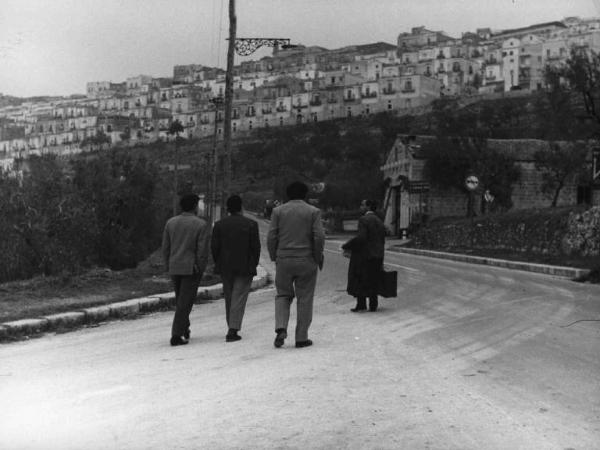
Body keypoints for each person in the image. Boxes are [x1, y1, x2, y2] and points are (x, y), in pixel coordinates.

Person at [267, 181, 325, 349]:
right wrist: (316, 256)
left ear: (287, 194)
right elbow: (319, 237)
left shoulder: (278, 211)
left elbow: (271, 236)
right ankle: (301, 337)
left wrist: (274, 256)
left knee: (283, 295)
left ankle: (281, 328)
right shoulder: (313, 212)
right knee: (305, 298)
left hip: (284, 259)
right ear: (305, 195)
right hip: (306, 259)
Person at [162, 193, 211, 346]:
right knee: (185, 303)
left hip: (174, 266)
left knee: (180, 300)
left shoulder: (170, 223)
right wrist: (201, 268)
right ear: (195, 206)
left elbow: (166, 248)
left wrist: (168, 265)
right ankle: (176, 335)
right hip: (191, 268)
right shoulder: (200, 224)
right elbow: (202, 250)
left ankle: (184, 328)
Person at [211, 195, 261, 342]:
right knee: (239, 297)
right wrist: (253, 264)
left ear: (227, 208)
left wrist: (218, 263)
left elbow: (214, 247)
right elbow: (255, 248)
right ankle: (232, 329)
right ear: (241, 207)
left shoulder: (219, 225)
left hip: (225, 267)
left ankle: (231, 325)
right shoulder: (251, 224)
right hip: (245, 266)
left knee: (229, 296)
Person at [342, 199, 386, 312]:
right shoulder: (379, 221)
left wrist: (347, 245)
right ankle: (373, 305)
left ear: (368, 206)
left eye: (362, 205)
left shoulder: (364, 220)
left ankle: (361, 304)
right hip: (378, 255)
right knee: (374, 279)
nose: (361, 207)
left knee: (360, 278)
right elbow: (382, 239)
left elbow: (361, 238)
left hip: (365, 255)